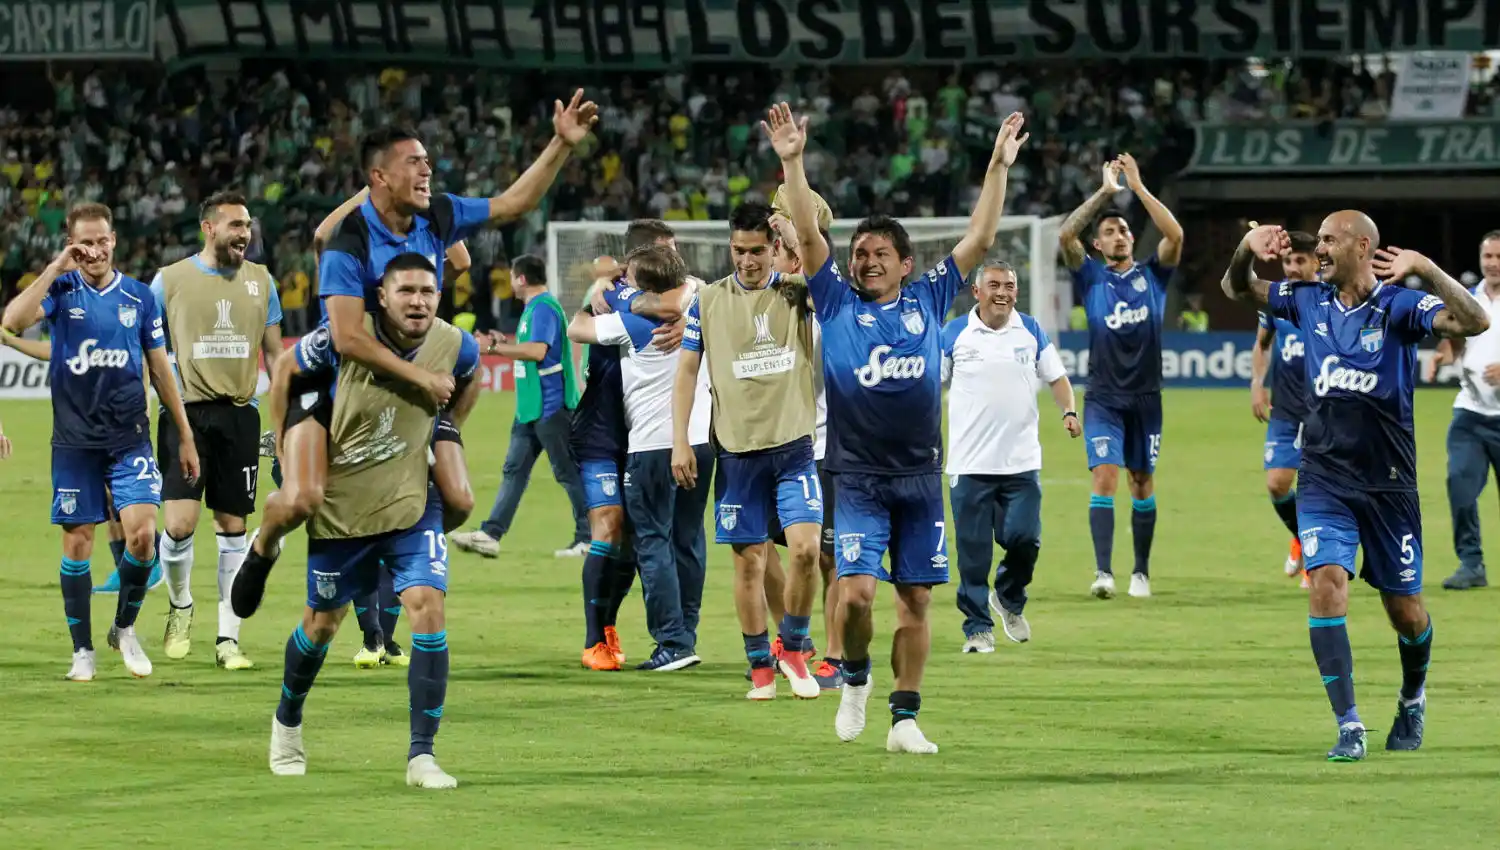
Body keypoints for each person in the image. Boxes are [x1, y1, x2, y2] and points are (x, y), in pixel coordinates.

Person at [232, 91, 597, 617]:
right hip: (340, 371)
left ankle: (431, 451)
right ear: (380, 178)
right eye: (415, 162)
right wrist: (421, 381)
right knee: (302, 500)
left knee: (459, 496)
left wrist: (561, 144)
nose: (429, 169)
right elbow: (345, 338)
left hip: (403, 359)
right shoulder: (348, 240)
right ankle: (265, 541)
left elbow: (512, 204)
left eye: (429, 161)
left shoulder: (437, 215)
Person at [768, 102, 1027, 753]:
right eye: (860, 253)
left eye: (881, 252)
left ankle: (904, 718)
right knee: (854, 596)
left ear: (906, 263)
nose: (868, 260)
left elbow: (981, 235)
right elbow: (804, 228)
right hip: (855, 478)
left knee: (916, 602)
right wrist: (793, 163)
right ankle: (854, 678)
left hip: (919, 480)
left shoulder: (932, 295)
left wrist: (996, 166)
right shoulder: (832, 298)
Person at [1222, 214, 1489, 760]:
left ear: (1361, 246)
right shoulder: (1305, 300)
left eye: (1327, 240)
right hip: (1323, 477)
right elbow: (1236, 286)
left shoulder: (1399, 307)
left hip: (1389, 486)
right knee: (1325, 581)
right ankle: (1349, 725)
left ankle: (1412, 697)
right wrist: (1246, 249)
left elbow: (1476, 321)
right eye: (1316, 240)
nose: (1317, 248)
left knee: (1406, 611)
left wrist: (1428, 268)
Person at [266, 252, 482, 788]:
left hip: (411, 498)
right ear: (380, 296)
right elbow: (285, 370)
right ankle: (287, 721)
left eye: (428, 291)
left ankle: (422, 756)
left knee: (427, 608)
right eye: (406, 290)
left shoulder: (455, 343)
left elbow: (470, 372)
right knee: (322, 626)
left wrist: (446, 429)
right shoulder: (342, 338)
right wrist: (284, 454)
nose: (418, 301)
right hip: (344, 504)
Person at [1, 202, 200, 681]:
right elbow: (12, 319)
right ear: (72, 244)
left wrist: (186, 435)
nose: (94, 250)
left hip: (128, 439)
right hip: (73, 443)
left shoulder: (137, 297)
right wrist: (55, 267)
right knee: (77, 544)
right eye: (84, 242)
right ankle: (82, 651)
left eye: (102, 240)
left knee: (143, 535)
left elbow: (160, 368)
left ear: (114, 240)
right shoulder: (62, 290)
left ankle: (125, 629)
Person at [670, 200, 822, 700]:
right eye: (739, 250)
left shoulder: (798, 293)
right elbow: (688, 371)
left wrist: (797, 241)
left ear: (774, 248)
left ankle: (793, 648)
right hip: (737, 454)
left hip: (794, 448)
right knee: (748, 563)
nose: (747, 260)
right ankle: (760, 666)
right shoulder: (708, 301)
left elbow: (828, 280)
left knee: (804, 552)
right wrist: (680, 441)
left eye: (757, 250)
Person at [128, 191, 284, 670]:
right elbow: (144, 349)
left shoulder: (262, 281)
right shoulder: (170, 281)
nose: (245, 233)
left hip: (240, 415)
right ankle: (180, 606)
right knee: (177, 526)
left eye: (248, 225)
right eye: (235, 224)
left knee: (233, 527)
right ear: (209, 228)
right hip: (185, 414)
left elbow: (276, 356)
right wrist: (139, 405)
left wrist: (283, 423)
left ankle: (227, 639)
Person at [567, 244, 711, 672]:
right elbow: (692, 292)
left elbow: (577, 327)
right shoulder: (701, 312)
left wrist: (607, 290)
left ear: (642, 285)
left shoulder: (629, 322)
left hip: (653, 445)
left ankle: (672, 641)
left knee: (652, 541)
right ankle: (687, 632)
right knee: (689, 539)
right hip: (700, 440)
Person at [1056, 155, 1184, 600]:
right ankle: (1104, 572)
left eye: (1124, 229)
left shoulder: (1155, 275)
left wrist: (1140, 186)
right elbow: (1065, 234)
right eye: (1109, 231)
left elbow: (1175, 235)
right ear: (1098, 245)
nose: (1119, 234)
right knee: (1105, 477)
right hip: (1105, 397)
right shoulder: (1091, 277)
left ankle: (1142, 572)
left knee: (1142, 483)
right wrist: (1106, 193)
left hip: (1147, 398)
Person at [941, 261, 1080, 653]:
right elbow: (928, 387)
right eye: (995, 285)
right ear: (977, 291)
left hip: (1020, 463)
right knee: (973, 556)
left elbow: (1057, 378)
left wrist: (1068, 411)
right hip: (969, 465)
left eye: (1010, 286)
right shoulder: (954, 334)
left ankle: (1007, 597)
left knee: (1025, 540)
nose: (1003, 292)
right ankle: (977, 629)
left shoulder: (1031, 330)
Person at [450, 254, 591, 558]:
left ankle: (590, 538)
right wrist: (502, 342)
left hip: (552, 406)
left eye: (513, 276)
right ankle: (490, 534)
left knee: (568, 472)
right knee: (513, 470)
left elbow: (538, 352)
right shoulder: (534, 309)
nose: (511, 282)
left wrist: (493, 348)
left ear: (521, 279)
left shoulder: (543, 308)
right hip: (530, 407)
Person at [0, 330, 158, 590]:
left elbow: (140, 357)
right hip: (91, 422)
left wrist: (142, 407)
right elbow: (58, 352)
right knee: (108, 498)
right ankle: (130, 567)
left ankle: (148, 558)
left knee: (115, 495)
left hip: (118, 422)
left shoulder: (117, 311)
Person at [765, 200, 843, 691]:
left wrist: (796, 230)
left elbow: (817, 277)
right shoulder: (763, 295)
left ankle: (835, 655)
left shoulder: (830, 297)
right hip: (770, 444)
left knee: (830, 555)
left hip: (826, 444)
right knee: (758, 546)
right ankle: (792, 637)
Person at [1249, 230, 1318, 588]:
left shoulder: (1328, 298)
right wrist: (1257, 384)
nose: (1291, 267)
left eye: (1300, 261)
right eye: (1288, 261)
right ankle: (1302, 539)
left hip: (1324, 412)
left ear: (1316, 262)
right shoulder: (1277, 301)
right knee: (1278, 484)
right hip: (1286, 411)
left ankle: (1318, 559)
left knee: (1317, 489)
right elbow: (1262, 345)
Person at [1433, 231, 1500, 590]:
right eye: (1488, 256)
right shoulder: (1469, 299)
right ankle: (1471, 564)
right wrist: (1447, 353)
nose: (1492, 263)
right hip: (1471, 414)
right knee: (1459, 485)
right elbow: (1456, 339)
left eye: (1499, 257)